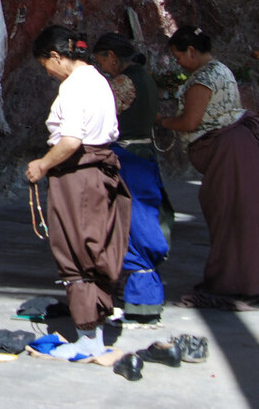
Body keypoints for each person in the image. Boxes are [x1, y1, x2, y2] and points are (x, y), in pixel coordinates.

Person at [26, 25, 131, 359]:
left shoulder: (72, 87)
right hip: (100, 172)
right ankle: (98, 319)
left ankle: (88, 338)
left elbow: (71, 141)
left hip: (79, 176)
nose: (48, 72)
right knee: (96, 246)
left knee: (77, 251)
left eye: (46, 64)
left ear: (57, 56)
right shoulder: (99, 80)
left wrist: (42, 165)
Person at [158, 25, 259, 308]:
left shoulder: (203, 78)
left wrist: (162, 121)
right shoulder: (221, 69)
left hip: (229, 150)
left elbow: (190, 122)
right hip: (238, 148)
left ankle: (232, 284)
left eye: (179, 57)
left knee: (231, 217)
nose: (179, 63)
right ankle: (248, 282)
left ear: (191, 51)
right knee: (243, 217)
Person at [93, 32, 173, 325]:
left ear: (112, 57)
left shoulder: (123, 83)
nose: (101, 68)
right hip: (143, 156)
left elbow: (98, 117)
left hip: (128, 160)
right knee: (143, 218)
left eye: (102, 61)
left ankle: (142, 301)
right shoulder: (146, 79)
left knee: (132, 224)